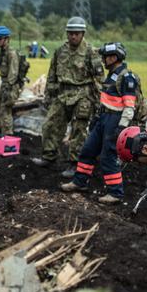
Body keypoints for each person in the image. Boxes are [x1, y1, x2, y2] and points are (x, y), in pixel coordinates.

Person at [61, 42, 139, 204]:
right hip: (104, 117)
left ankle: (115, 193)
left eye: (105, 57)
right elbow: (105, 100)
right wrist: (97, 117)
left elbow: (130, 106)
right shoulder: (110, 74)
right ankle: (80, 182)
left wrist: (121, 127)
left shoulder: (126, 77)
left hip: (115, 120)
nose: (103, 60)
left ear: (114, 57)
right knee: (88, 150)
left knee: (108, 156)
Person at [32, 16, 104, 179]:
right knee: (50, 124)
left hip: (83, 95)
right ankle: (49, 157)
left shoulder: (91, 52)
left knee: (79, 131)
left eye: (77, 33)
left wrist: (100, 103)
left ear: (82, 33)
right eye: (70, 33)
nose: (73, 36)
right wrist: (48, 96)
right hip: (62, 94)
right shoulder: (60, 51)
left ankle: (75, 163)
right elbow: (51, 76)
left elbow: (99, 80)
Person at [0, 26, 23, 135]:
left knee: (5, 112)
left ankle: (7, 137)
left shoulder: (11, 54)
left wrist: (8, 88)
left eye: (0, 39)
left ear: (6, 39)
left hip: (10, 86)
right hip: (5, 84)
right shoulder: (3, 53)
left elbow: (13, 73)